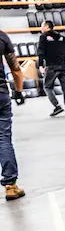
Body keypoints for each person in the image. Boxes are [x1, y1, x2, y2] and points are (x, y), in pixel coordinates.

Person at [0, 27, 25, 200]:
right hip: (0, 94)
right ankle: (10, 186)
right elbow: (15, 68)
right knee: (3, 137)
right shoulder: (1, 37)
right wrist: (18, 91)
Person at [37, 20, 65, 117]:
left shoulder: (43, 37)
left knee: (47, 87)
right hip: (62, 66)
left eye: (42, 26)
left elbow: (41, 52)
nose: (41, 28)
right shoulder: (62, 37)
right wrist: (60, 57)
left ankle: (57, 106)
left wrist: (40, 65)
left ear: (47, 27)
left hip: (51, 67)